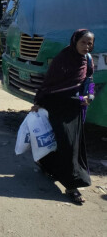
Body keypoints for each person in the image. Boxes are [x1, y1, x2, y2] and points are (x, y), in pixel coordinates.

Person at [32, 29, 95, 205]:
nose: (87, 46)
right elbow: (49, 85)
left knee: (70, 145)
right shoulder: (63, 59)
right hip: (58, 106)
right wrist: (38, 101)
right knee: (67, 144)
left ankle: (48, 165)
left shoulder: (87, 60)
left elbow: (89, 80)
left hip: (76, 108)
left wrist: (90, 95)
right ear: (75, 41)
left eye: (90, 43)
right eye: (83, 42)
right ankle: (71, 186)